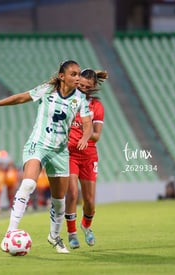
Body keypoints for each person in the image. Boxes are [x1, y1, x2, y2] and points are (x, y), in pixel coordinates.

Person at [0, 60, 92, 254]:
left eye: (79, 74)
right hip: (37, 145)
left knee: (58, 200)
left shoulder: (81, 98)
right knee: (29, 184)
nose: (77, 77)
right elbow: (22, 98)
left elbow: (88, 123)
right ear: (62, 76)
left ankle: (54, 237)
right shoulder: (47, 90)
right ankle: (10, 233)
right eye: (73, 74)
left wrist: (85, 137)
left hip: (60, 151)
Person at [65, 69, 108, 249]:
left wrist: (85, 135)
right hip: (70, 154)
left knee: (89, 201)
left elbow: (96, 136)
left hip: (89, 154)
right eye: (80, 84)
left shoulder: (96, 106)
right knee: (73, 193)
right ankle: (72, 233)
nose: (82, 88)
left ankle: (86, 226)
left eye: (87, 86)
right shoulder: (66, 100)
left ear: (92, 88)